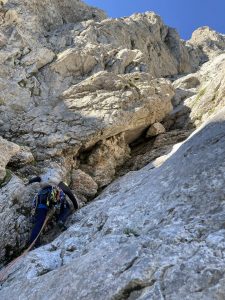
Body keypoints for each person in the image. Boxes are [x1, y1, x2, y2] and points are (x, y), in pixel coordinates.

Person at [27, 172, 79, 248]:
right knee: (66, 207)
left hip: (41, 199)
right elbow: (71, 195)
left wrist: (28, 182)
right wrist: (76, 206)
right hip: (53, 199)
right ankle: (61, 220)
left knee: (39, 222)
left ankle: (33, 243)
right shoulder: (62, 185)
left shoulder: (45, 182)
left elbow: (37, 178)